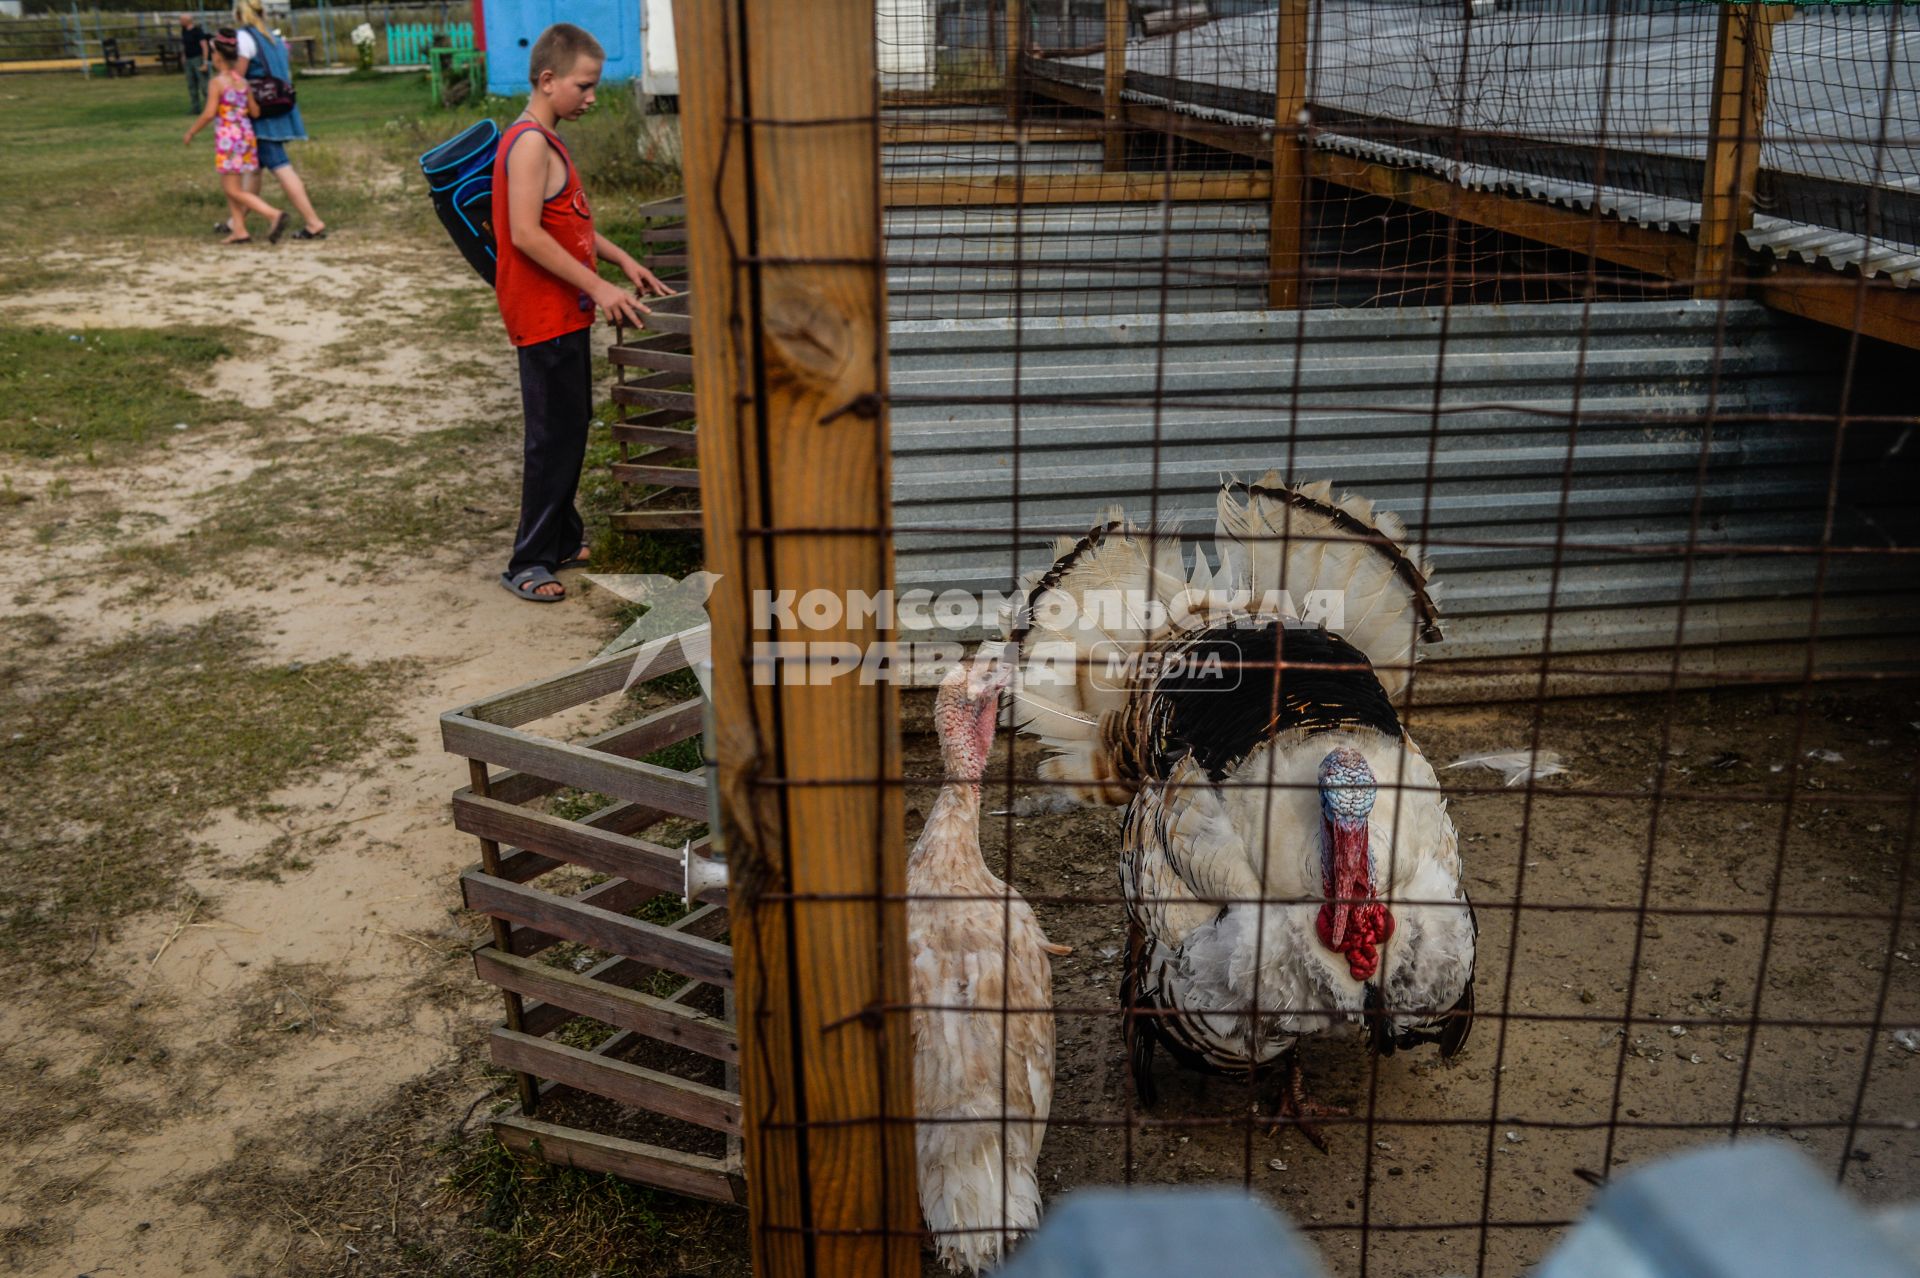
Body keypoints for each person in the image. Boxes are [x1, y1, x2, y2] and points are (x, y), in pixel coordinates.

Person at [493, 23, 666, 603]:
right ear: (548, 80)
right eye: (584, 85)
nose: (592, 96)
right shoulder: (530, 143)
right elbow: (525, 234)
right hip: (543, 315)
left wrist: (620, 263)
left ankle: (562, 539)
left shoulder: (549, 137)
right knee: (551, 437)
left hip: (565, 312)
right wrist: (601, 287)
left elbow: (572, 224)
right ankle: (528, 561)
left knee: (570, 428)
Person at [221, 6, 327, 239]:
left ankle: (313, 222)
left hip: (260, 111)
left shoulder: (245, 37)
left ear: (238, 14)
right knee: (254, 171)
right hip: (277, 103)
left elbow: (238, 76)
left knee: (279, 165)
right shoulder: (273, 37)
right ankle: (235, 223)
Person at [184, 41, 287, 246]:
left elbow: (209, 113)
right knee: (230, 184)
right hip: (246, 136)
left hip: (227, 138)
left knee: (233, 190)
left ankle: (273, 214)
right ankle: (239, 231)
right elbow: (255, 111)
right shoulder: (243, 82)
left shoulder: (217, 83)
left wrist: (191, 131)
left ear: (218, 57)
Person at [178, 13, 210, 114]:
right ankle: (195, 108)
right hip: (188, 60)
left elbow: (204, 46)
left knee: (204, 85)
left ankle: (210, 107)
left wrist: (205, 62)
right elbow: (184, 44)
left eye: (181, 19)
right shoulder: (183, 31)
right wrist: (183, 55)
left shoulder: (197, 31)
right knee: (191, 85)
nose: (180, 21)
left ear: (188, 20)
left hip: (198, 59)